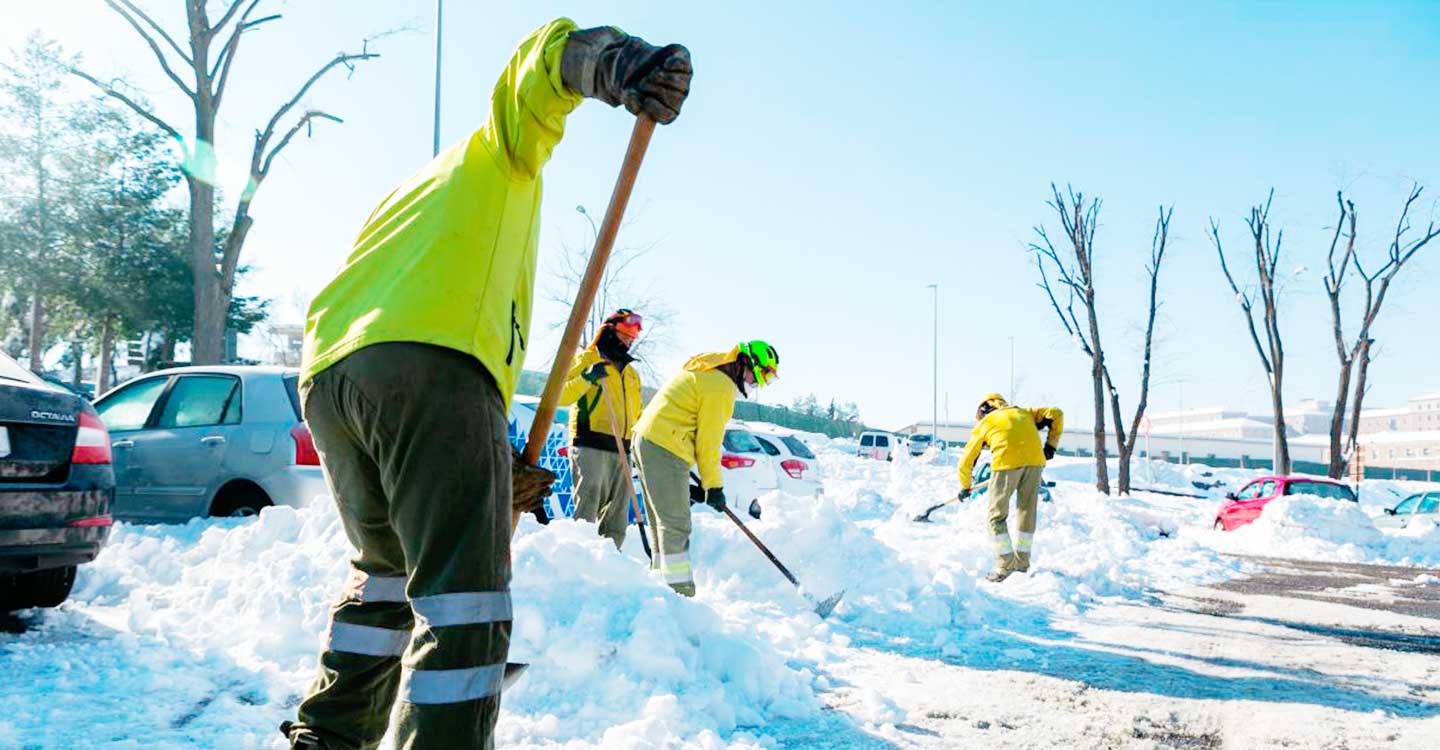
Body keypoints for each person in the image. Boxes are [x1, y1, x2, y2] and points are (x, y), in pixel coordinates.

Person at [281, 19, 691, 750]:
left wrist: (489, 474)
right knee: (464, 601)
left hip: (331, 374)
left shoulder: (411, 201)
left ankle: (329, 736)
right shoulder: (498, 158)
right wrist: (620, 64)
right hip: (429, 363)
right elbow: (538, 68)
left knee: (385, 573)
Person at [631, 341, 778, 596]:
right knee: (675, 524)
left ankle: (658, 588)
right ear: (744, 362)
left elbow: (689, 425)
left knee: (662, 522)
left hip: (651, 440)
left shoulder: (708, 369)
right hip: (665, 445)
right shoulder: (721, 387)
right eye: (758, 375)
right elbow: (708, 444)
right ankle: (680, 593)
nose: (756, 384)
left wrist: (699, 484)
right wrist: (713, 487)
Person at [559, 309, 645, 548]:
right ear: (609, 332)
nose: (628, 342)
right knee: (587, 507)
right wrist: (586, 378)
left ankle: (611, 563)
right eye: (624, 336)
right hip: (591, 445)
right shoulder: (587, 360)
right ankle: (578, 558)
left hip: (623, 450)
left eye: (631, 339)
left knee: (617, 516)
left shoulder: (631, 374)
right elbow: (560, 395)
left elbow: (637, 414)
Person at [956, 394, 1064, 583]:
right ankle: (1021, 564)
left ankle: (1005, 565)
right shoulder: (1024, 413)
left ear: (983, 410)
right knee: (1026, 512)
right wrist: (1051, 446)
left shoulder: (986, 423)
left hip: (1006, 463)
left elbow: (966, 461)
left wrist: (965, 486)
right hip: (1035, 461)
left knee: (996, 517)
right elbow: (1056, 413)